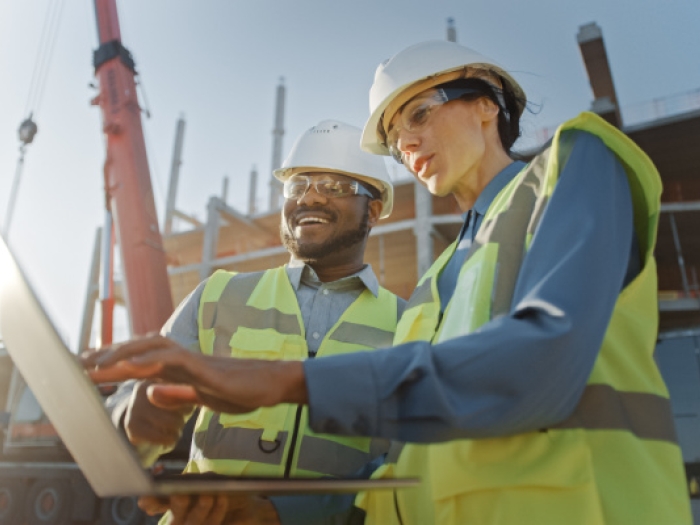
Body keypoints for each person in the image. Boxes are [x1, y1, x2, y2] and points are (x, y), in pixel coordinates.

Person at [87, 40, 692, 525]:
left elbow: (540, 365)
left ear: (487, 103)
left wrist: (279, 379)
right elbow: (390, 470)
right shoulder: (432, 290)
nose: (408, 142)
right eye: (398, 137)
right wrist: (269, 511)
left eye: (421, 114)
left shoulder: (573, 164)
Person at [96, 119, 404, 524]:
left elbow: (403, 467)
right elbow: (136, 396)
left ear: (374, 210)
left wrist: (286, 514)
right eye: (298, 186)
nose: (310, 198)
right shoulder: (219, 296)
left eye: (334, 186)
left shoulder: (409, 324)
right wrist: (129, 421)